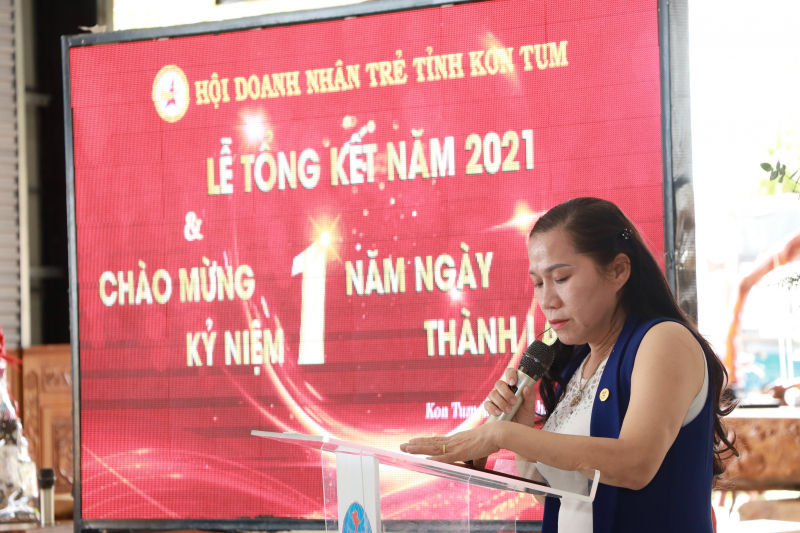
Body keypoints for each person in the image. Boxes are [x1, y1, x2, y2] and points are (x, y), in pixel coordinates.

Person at [400, 197, 737, 533]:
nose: (547, 300)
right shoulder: (579, 363)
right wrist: (521, 437)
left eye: (560, 278)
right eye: (538, 283)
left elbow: (635, 464)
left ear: (618, 270)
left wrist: (503, 433)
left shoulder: (664, 340)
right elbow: (571, 503)